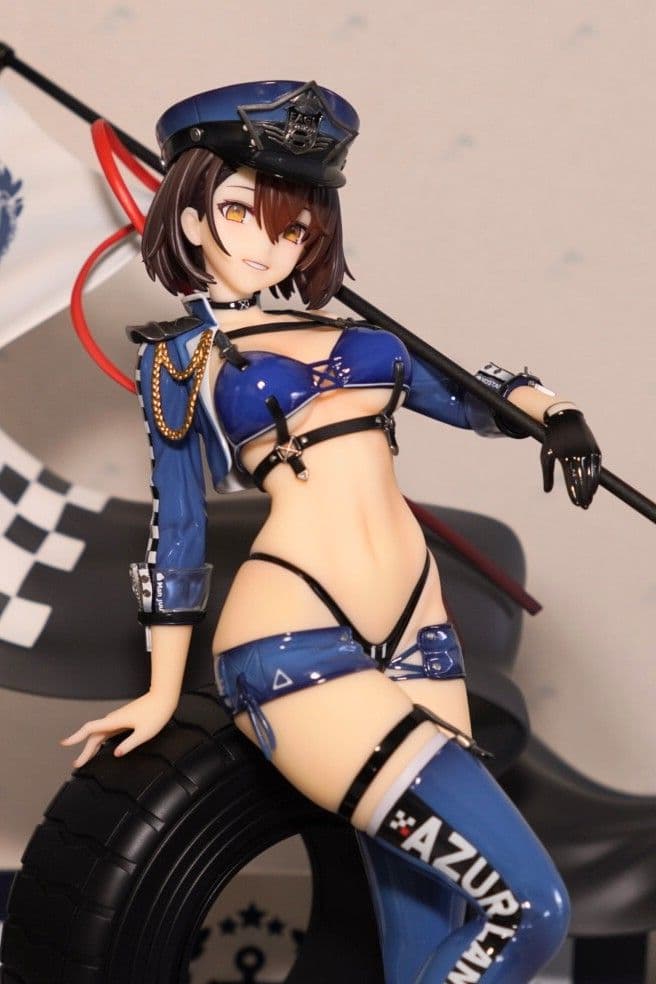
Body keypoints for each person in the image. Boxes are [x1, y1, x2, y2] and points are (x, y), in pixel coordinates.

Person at [62, 80, 601, 982]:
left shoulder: (362, 337)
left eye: (294, 222)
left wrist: (556, 413)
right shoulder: (181, 359)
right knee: (525, 908)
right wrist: (160, 693)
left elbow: (478, 401)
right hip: (296, 640)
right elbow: (178, 528)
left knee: (429, 924)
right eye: (239, 211)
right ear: (190, 219)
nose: (267, 241)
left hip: (420, 631)